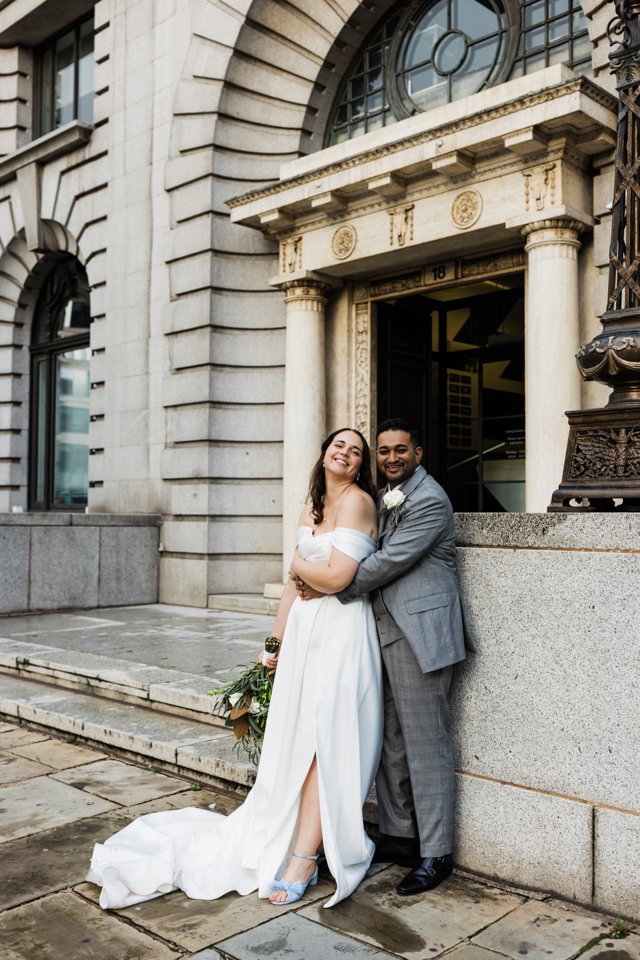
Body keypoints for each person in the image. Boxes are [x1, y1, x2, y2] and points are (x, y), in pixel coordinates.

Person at [87, 428, 383, 910]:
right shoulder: (310, 507)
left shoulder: (357, 503)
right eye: (338, 444)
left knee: (324, 739)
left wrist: (298, 565)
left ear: (360, 464)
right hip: (305, 635)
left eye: (356, 450)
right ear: (324, 452)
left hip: (341, 635)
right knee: (296, 739)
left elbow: (336, 577)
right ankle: (294, 839)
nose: (345, 453)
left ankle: (305, 856)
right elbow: (294, 588)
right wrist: (274, 646)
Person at [296, 418, 466, 896]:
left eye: (400, 450)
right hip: (380, 632)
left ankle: (436, 853)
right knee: (390, 740)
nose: (391, 457)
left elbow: (389, 561)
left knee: (425, 743)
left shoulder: (429, 499)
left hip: (420, 636)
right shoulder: (383, 496)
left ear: (419, 453)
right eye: (385, 451)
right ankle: (398, 836)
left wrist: (328, 585)